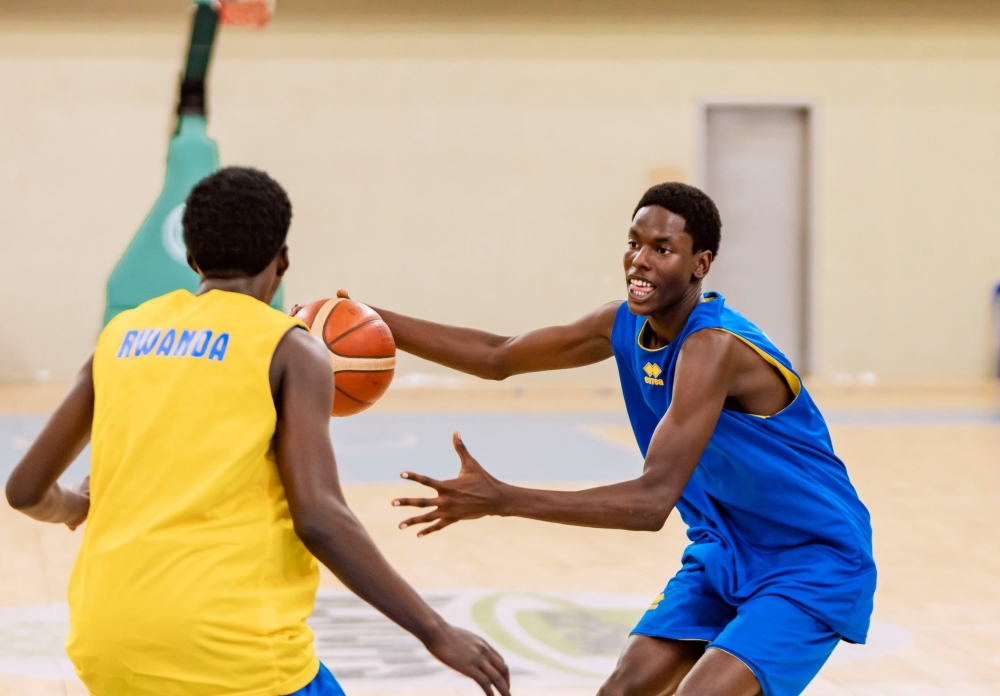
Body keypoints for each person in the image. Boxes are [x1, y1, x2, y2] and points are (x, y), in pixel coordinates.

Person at [354, 182, 876, 696]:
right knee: (621, 690)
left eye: (662, 249)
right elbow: (499, 355)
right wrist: (369, 321)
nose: (639, 261)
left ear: (701, 264)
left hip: (811, 559)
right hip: (725, 549)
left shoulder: (714, 346)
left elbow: (651, 503)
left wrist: (504, 499)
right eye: (634, 243)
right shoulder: (621, 323)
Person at [5, 167, 510, 696]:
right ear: (283, 259)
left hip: (105, 646)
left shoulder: (120, 336)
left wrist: (77, 505)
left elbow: (24, 491)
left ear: (192, 258)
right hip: (230, 653)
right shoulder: (289, 348)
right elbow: (320, 520)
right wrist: (435, 631)